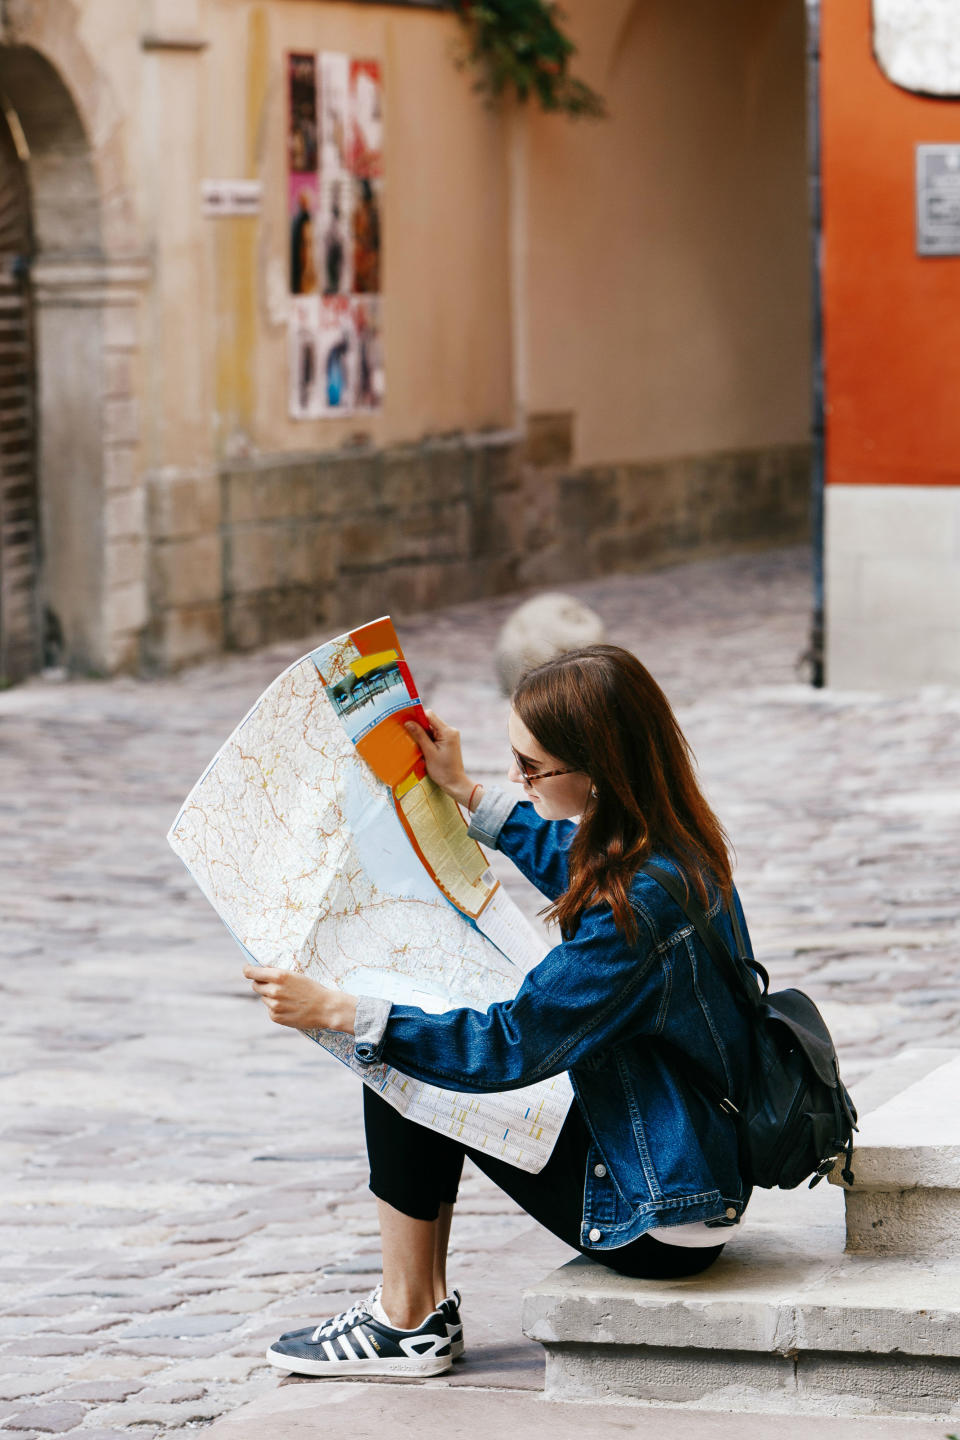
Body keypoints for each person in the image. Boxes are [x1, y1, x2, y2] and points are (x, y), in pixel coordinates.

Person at [244, 645, 756, 1380]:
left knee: (399, 1046)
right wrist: (468, 792)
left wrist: (339, 1010)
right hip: (692, 1168)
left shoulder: (635, 911)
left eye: (533, 767)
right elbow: (582, 863)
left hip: (655, 1212)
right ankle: (415, 1307)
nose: (519, 778)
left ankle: (406, 1317)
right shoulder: (677, 846)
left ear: (601, 769)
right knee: (418, 1029)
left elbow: (506, 1048)